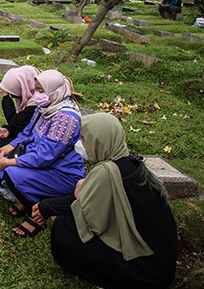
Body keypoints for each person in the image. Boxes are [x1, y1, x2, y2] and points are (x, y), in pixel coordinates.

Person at [37, 113, 178, 289]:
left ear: (100, 141)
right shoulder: (131, 162)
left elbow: (89, 222)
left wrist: (80, 196)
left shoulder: (106, 171)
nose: (80, 143)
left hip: (143, 273)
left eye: (84, 139)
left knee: (62, 230)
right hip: (161, 268)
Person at [0, 69, 85, 238]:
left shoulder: (66, 118)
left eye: (41, 90)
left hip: (62, 172)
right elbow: (28, 132)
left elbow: (44, 156)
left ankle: (37, 214)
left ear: (55, 91)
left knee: (10, 172)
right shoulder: (46, 107)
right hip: (42, 162)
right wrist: (6, 149)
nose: (37, 95)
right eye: (36, 90)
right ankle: (28, 198)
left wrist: (9, 162)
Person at [0, 65, 40, 174]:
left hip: (31, 138)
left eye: (13, 94)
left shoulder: (37, 103)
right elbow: (21, 123)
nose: (13, 96)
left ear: (24, 86)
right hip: (22, 131)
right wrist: (9, 129)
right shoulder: (26, 97)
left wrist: (5, 97)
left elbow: (16, 122)